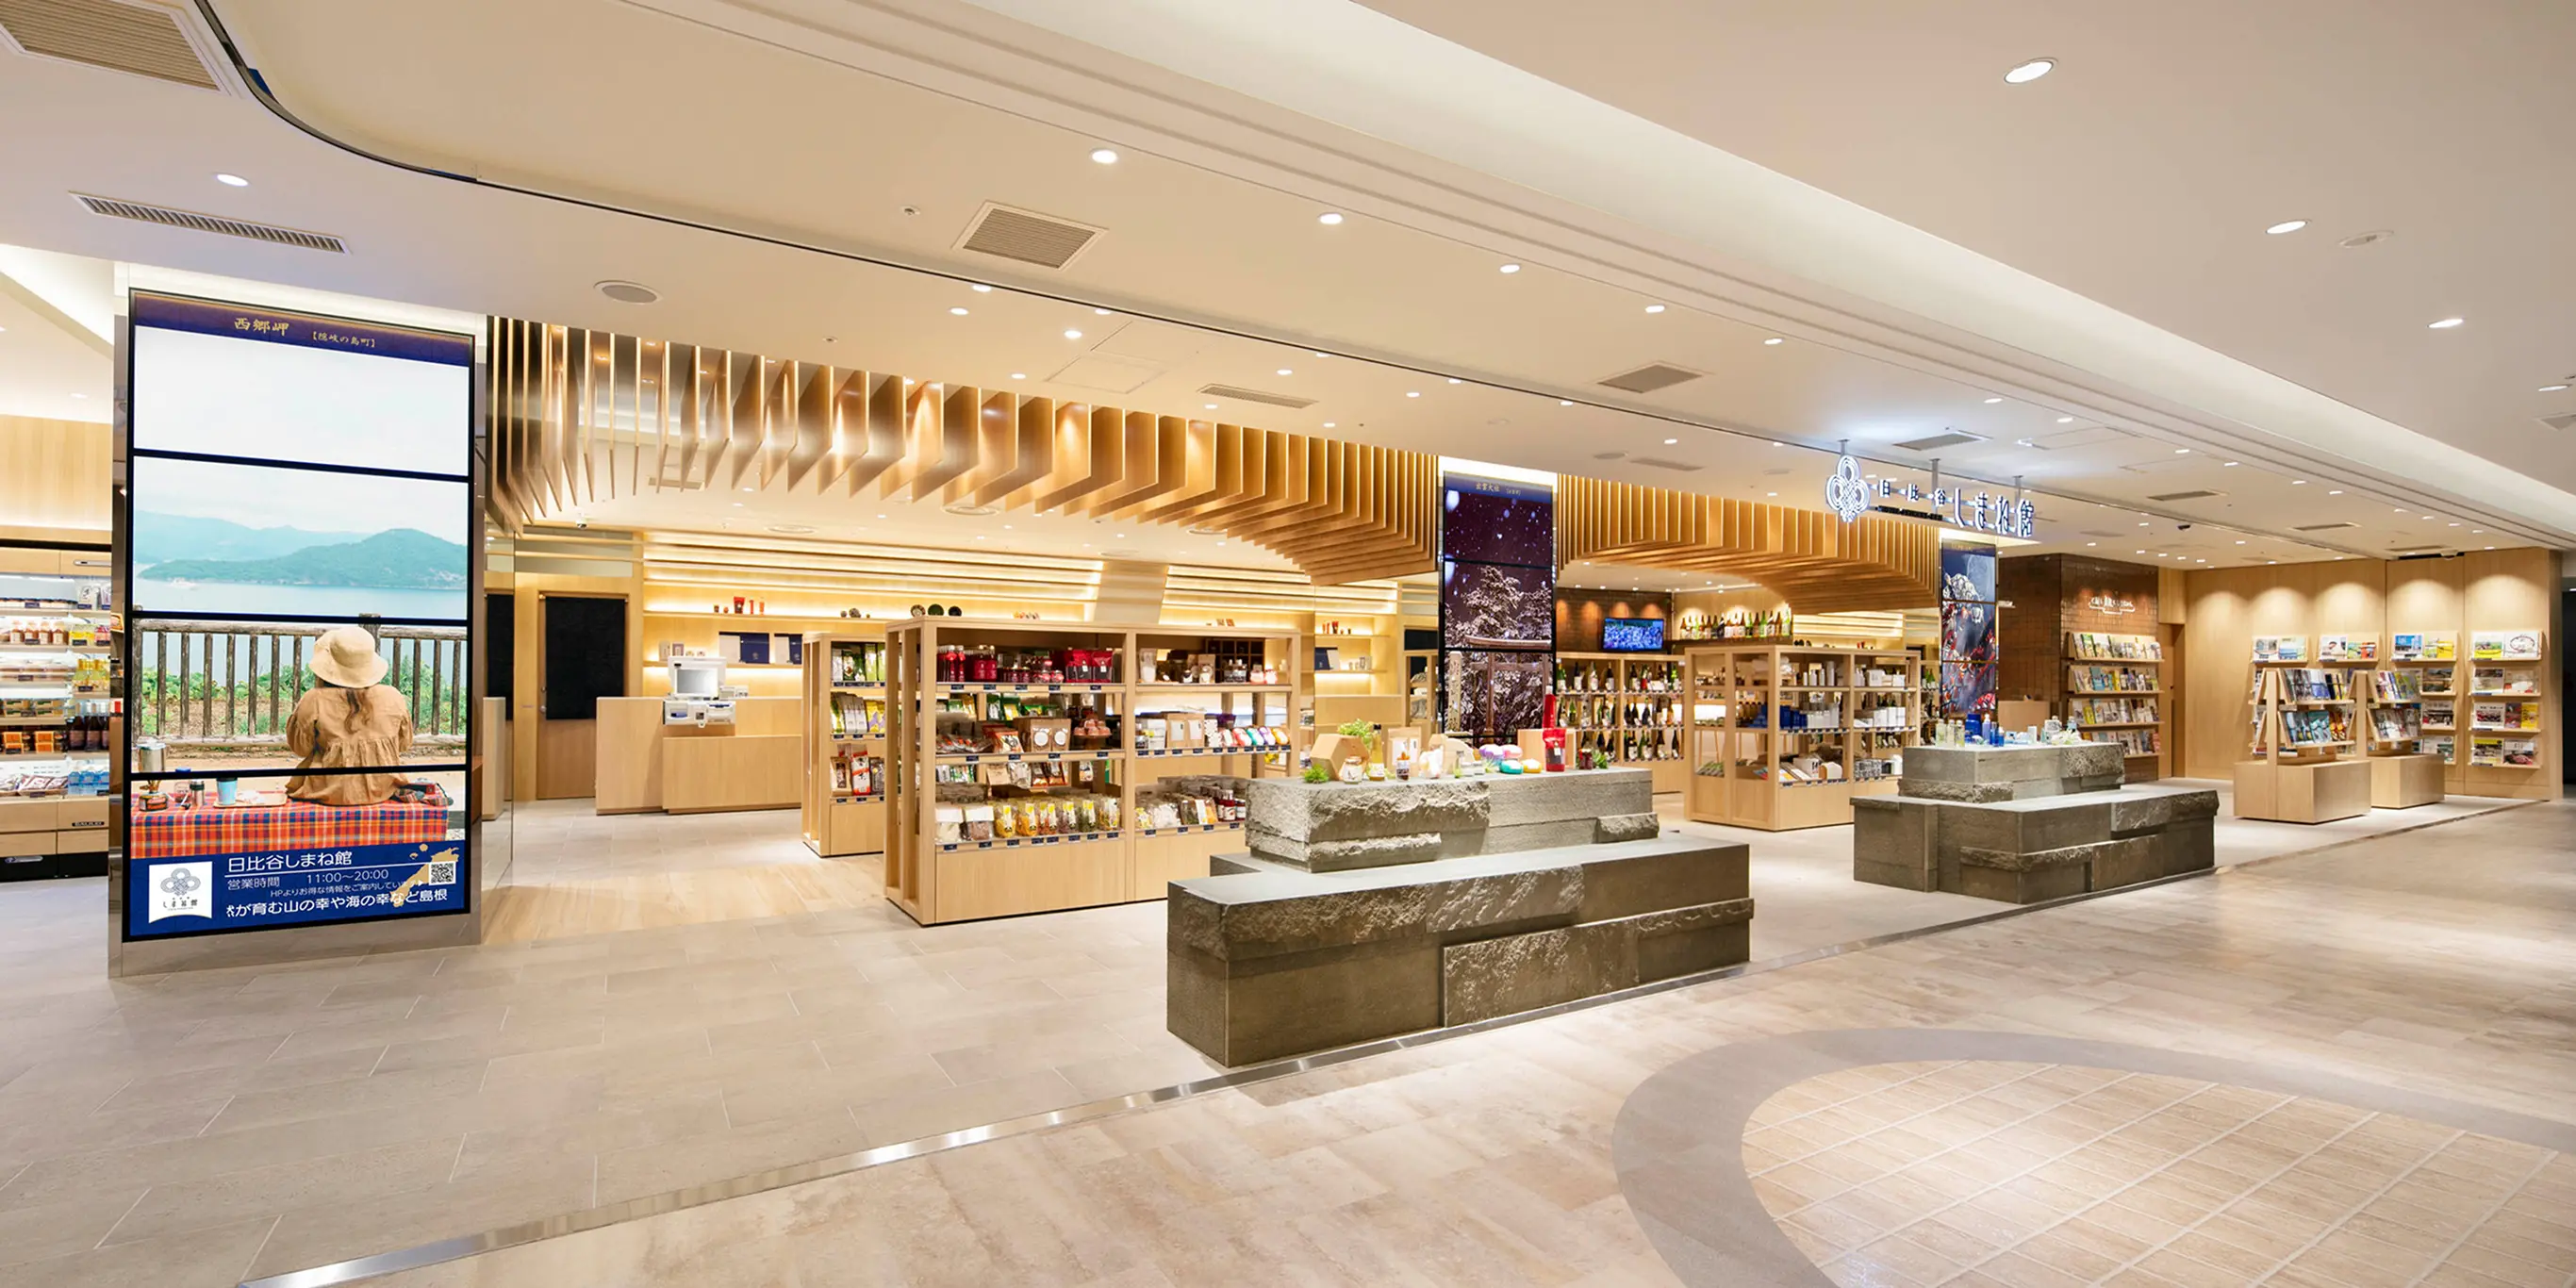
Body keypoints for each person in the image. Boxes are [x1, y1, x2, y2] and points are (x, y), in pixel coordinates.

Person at [285, 626, 414, 806]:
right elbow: (403, 745)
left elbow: (301, 749)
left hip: (326, 791)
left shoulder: (314, 699)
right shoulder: (393, 696)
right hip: (382, 788)